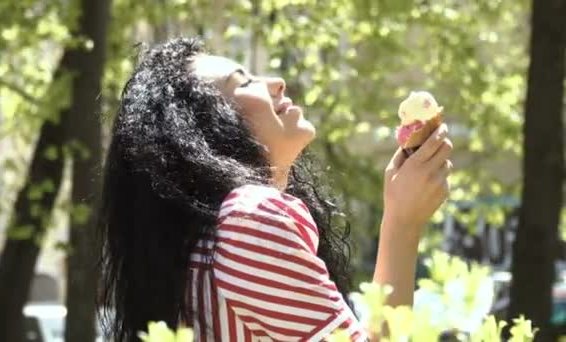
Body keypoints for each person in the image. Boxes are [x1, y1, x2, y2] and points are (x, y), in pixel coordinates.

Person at [97, 38, 453, 342]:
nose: (278, 82)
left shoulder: (206, 244)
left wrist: (401, 218)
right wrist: (402, 225)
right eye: (244, 81)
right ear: (202, 129)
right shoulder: (249, 220)